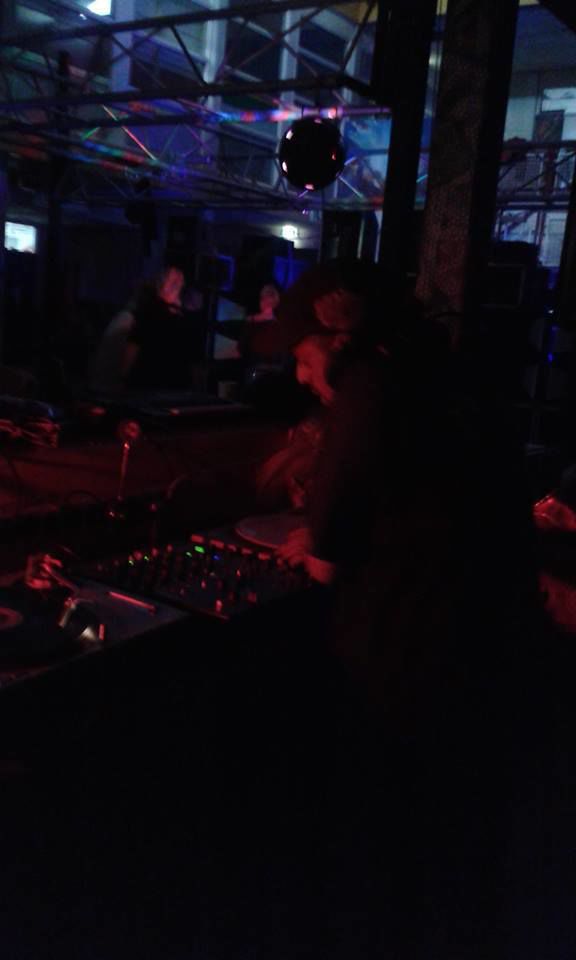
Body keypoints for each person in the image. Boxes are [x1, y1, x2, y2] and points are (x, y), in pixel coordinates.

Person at [123, 266, 199, 392]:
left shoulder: (184, 318)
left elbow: (192, 356)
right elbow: (133, 346)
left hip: (176, 387)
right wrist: (123, 378)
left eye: (179, 280)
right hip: (148, 385)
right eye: (173, 280)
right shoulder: (149, 312)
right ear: (162, 284)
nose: (177, 283)